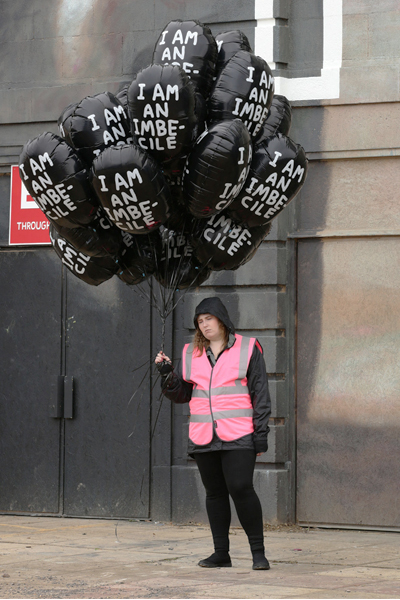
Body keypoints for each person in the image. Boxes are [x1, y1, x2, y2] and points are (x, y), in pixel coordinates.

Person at [155, 297, 271, 570]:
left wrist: (261, 433)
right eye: (199, 321)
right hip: (203, 433)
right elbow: (182, 395)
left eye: (208, 318)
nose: (204, 325)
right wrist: (167, 375)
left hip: (240, 433)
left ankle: (258, 553)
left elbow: (261, 393)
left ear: (221, 318)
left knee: (241, 488)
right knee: (215, 493)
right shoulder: (189, 353)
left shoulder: (248, 348)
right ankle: (222, 554)